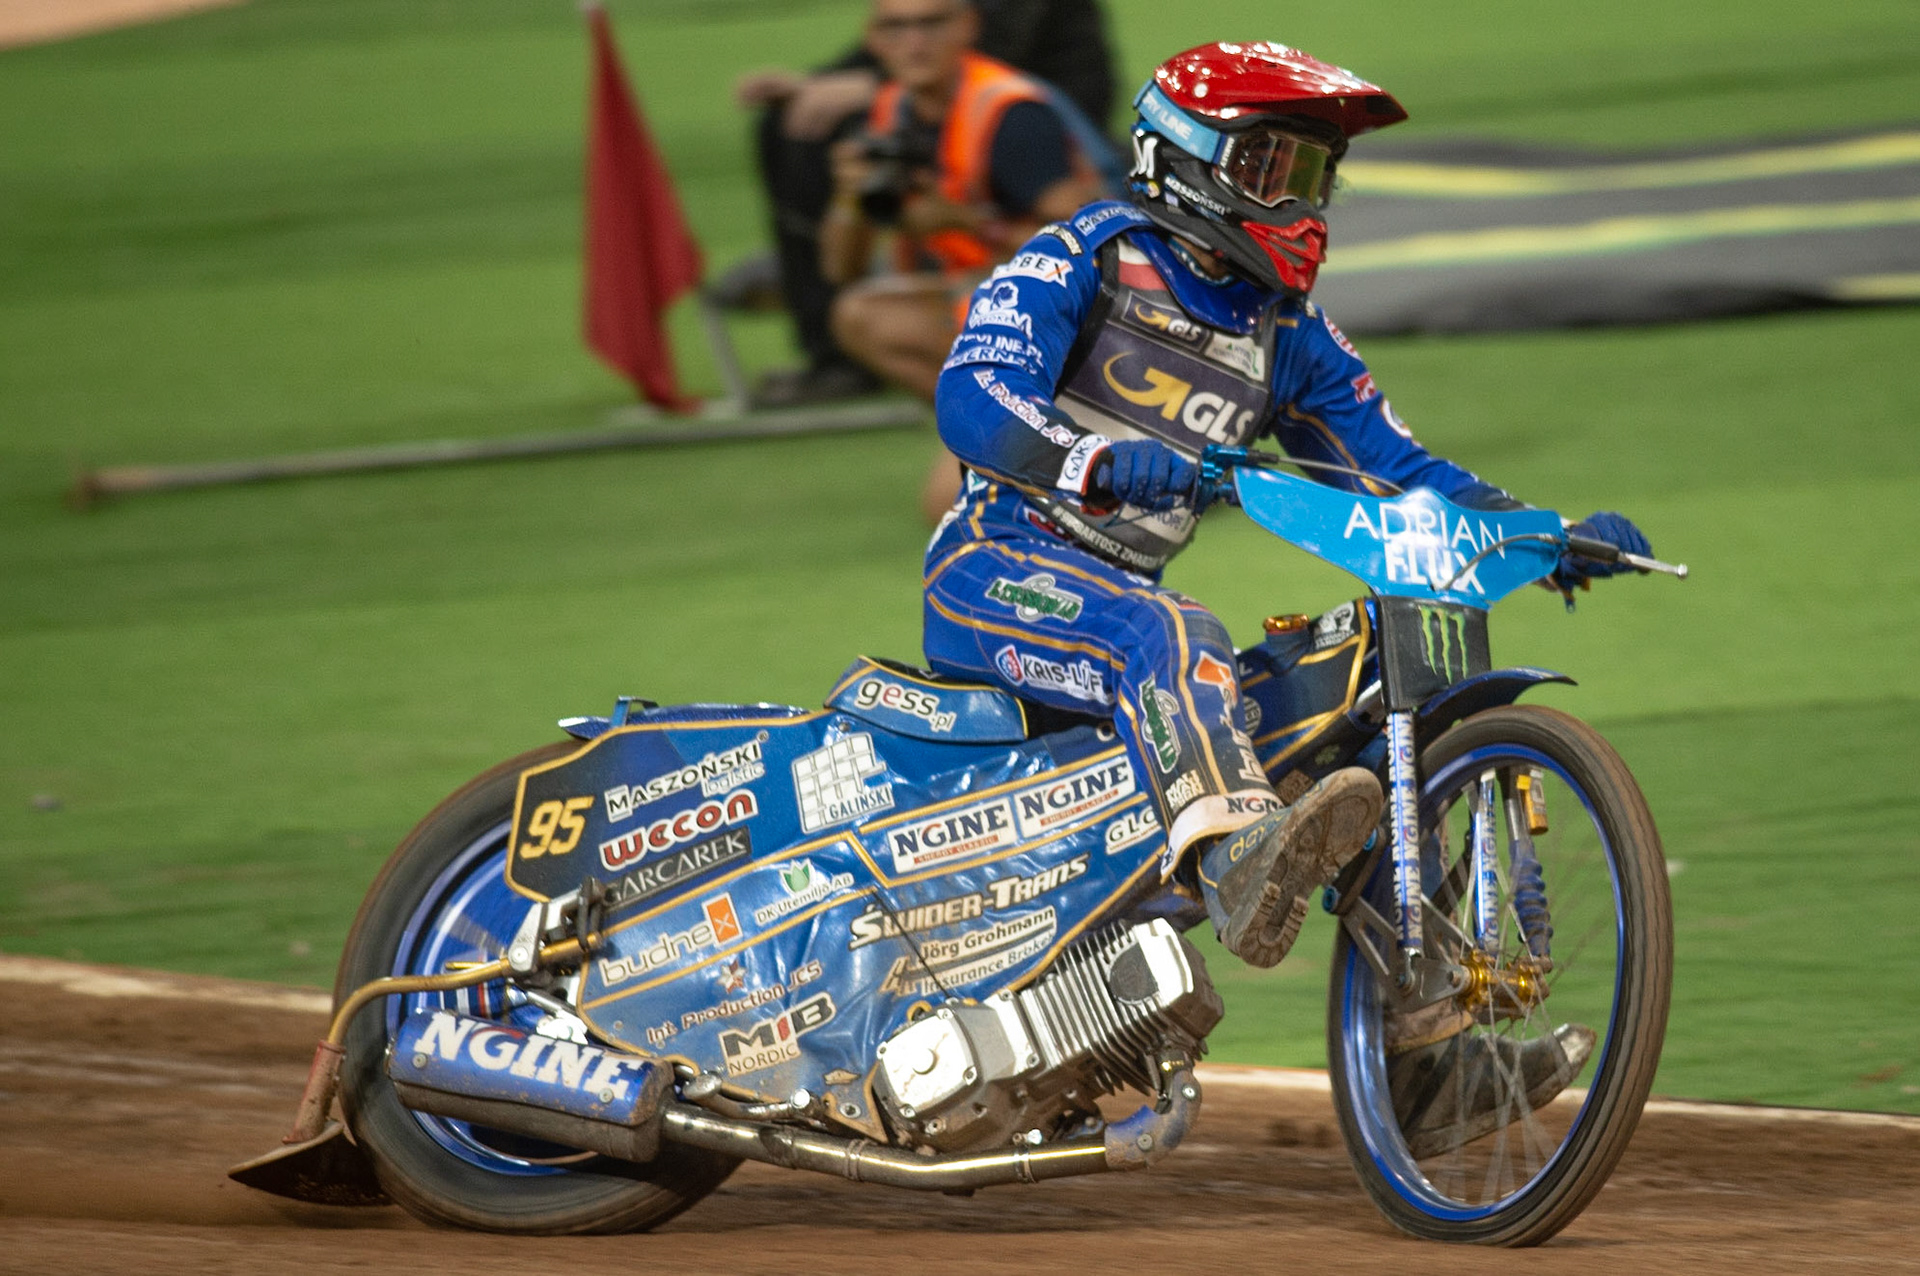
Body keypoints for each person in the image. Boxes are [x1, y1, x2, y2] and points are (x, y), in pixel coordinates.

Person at [922, 41, 1654, 1150]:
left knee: (1365, 696)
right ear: (1187, 160)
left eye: (1315, 176)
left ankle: (1421, 1056)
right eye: (1274, 168)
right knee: (1172, 627)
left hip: (1116, 616)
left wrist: (1540, 536)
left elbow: (1401, 473)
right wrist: (1095, 460)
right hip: (996, 572)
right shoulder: (1083, 257)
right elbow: (972, 396)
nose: (1300, 203)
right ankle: (1233, 859)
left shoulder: (1288, 336)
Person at [734, 0, 1116, 410]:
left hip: (1079, 316)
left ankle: (1024, 422)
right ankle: (996, 421)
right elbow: (839, 270)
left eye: (931, 25)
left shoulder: (1009, 114)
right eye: (896, 28)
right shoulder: (895, 110)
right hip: (992, 294)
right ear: (874, 40)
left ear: (968, 26)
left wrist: (964, 222)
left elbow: (1103, 253)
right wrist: (850, 199)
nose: (915, 44)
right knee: (857, 315)